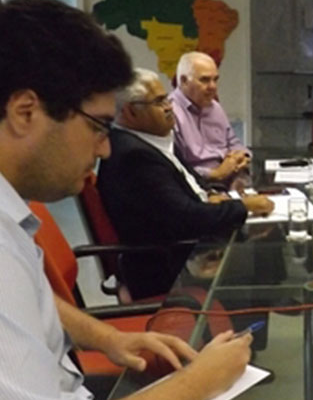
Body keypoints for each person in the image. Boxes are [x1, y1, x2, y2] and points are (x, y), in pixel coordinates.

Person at [0, 0, 251, 400]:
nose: (106, 149)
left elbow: (33, 297)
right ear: (26, 112)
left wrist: (108, 337)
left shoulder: (11, 215)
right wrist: (199, 383)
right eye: (99, 126)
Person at [98, 68, 273, 300]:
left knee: (261, 254)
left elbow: (183, 191)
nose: (170, 107)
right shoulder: (135, 157)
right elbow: (187, 219)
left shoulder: (153, 140)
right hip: (167, 268)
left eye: (167, 99)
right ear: (131, 111)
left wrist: (210, 195)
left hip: (183, 247)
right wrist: (245, 206)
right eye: (160, 102)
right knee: (259, 271)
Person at [170, 51, 251, 191]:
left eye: (215, 79)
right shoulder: (169, 112)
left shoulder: (215, 108)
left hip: (232, 180)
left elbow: (234, 142)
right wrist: (216, 173)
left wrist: (241, 156)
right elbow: (175, 167)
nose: (213, 87)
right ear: (183, 81)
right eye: (205, 80)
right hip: (198, 187)